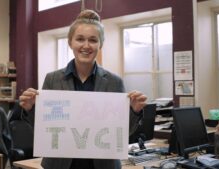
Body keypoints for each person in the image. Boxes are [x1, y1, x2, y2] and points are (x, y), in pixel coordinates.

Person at [19, 9, 147, 169]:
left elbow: (121, 134)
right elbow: (45, 129)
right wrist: (30, 109)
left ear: (101, 44)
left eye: (93, 40)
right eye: (80, 39)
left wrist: (134, 112)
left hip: (103, 164)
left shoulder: (114, 82)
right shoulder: (52, 79)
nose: (86, 46)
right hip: (60, 164)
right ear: (70, 42)